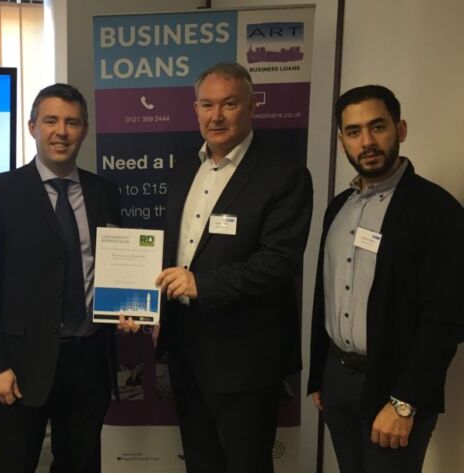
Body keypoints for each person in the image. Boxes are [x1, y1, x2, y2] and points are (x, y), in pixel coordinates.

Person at [154, 62, 313, 473]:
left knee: (247, 464)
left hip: (246, 357)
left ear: (252, 106)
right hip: (186, 347)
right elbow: (175, 250)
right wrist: (152, 307)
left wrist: (201, 284)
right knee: (200, 461)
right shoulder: (185, 166)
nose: (217, 116)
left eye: (229, 104)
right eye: (207, 105)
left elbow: (279, 262)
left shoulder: (284, 174)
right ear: (196, 109)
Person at [0, 83, 126, 473]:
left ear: (84, 130)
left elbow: (117, 266)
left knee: (81, 465)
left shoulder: (104, 192)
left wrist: (128, 306)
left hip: (89, 360)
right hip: (21, 366)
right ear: (32, 127)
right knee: (15, 464)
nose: (61, 132)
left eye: (72, 122)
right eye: (51, 121)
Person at [307, 85, 464, 473]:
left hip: (395, 386)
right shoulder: (339, 208)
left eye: (377, 127)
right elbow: (325, 293)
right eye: (354, 131)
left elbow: (446, 319)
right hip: (337, 378)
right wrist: (320, 376)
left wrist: (405, 402)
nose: (367, 142)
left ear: (400, 129)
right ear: (342, 140)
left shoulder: (436, 210)